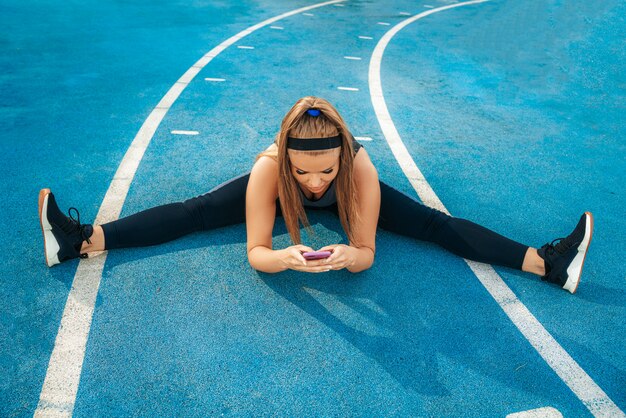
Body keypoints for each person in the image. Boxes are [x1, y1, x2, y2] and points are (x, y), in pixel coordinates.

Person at [38, 96, 593, 293]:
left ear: (342, 156)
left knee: (431, 224)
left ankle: (547, 264)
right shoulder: (269, 171)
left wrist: (355, 257)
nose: (314, 183)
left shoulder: (357, 168)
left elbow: (367, 254)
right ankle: (81, 241)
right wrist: (281, 259)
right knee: (199, 211)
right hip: (272, 202)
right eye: (301, 173)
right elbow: (255, 252)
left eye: (324, 171)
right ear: (284, 160)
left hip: (359, 193)